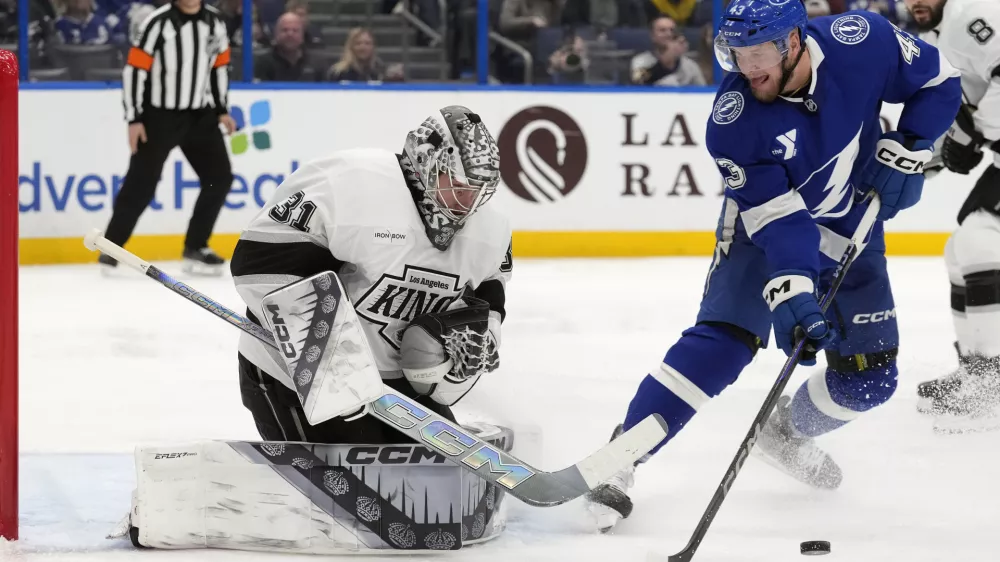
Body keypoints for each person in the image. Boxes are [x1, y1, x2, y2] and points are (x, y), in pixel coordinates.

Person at [585, 0, 961, 531]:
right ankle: (618, 459)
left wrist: (911, 147)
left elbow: (941, 82)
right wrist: (793, 291)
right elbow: (779, 222)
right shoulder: (733, 123)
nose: (746, 66)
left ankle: (784, 433)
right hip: (765, 229)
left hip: (853, 218)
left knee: (868, 381)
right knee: (725, 342)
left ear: (793, 41)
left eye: (757, 51)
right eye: (734, 53)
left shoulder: (863, 39)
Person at [230, 104, 512, 447]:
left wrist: (476, 334)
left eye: (478, 191)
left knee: (434, 482)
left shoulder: (490, 228)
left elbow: (490, 288)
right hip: (294, 376)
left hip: (397, 388)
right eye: (456, 184)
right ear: (426, 159)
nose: (467, 203)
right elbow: (260, 262)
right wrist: (333, 368)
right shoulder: (350, 184)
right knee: (347, 489)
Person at [904, 0, 1000, 433]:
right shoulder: (935, 34)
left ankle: (992, 383)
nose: (914, 1)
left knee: (980, 240)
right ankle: (978, 372)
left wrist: (978, 133)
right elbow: (959, 115)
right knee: (960, 251)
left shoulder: (974, 14)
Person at [100, 0, 236, 276]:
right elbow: (135, 70)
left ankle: (196, 246)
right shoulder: (157, 22)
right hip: (159, 117)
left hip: (201, 115)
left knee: (219, 177)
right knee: (142, 182)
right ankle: (112, 247)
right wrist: (134, 117)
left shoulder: (215, 22)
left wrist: (221, 109)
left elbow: (219, 67)